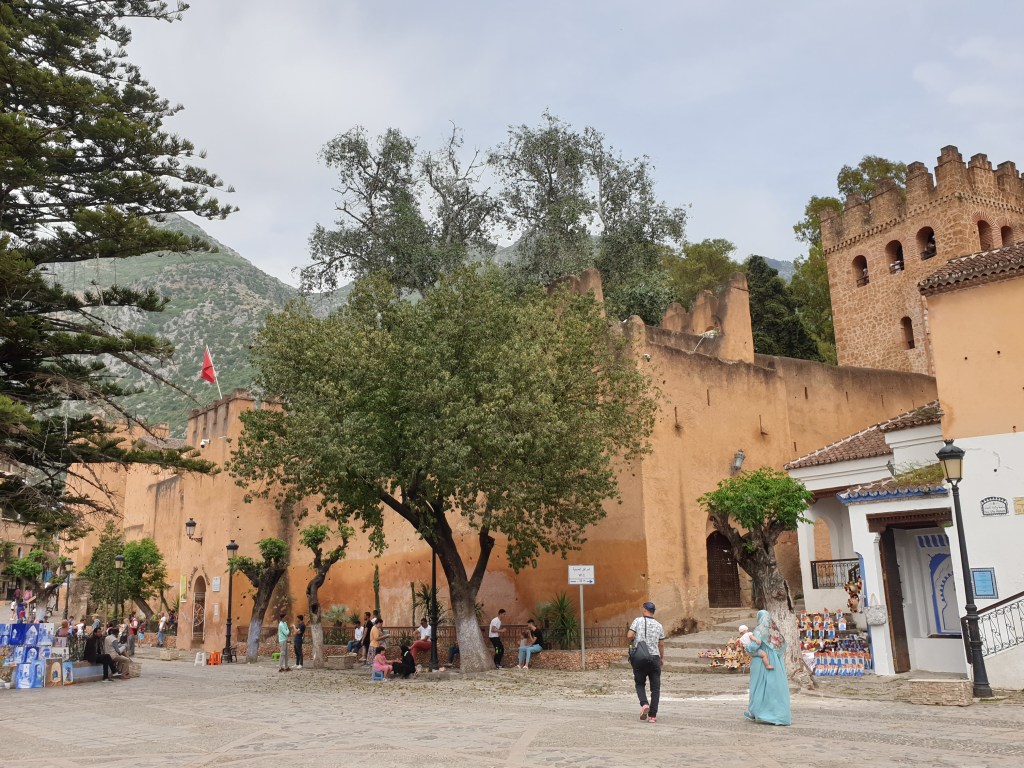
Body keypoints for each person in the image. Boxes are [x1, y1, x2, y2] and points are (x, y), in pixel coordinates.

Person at [743, 609, 791, 726]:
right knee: (774, 687)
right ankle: (779, 715)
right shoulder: (773, 631)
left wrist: (745, 647)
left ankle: (755, 712)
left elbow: (754, 647)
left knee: (758, 685)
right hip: (774, 660)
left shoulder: (759, 630)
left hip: (761, 661)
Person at [627, 601, 665, 724]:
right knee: (655, 688)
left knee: (639, 683)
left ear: (644, 610)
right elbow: (661, 644)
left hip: (640, 657)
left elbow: (630, 635)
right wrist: (661, 658)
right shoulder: (659, 625)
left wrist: (635, 639)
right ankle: (652, 716)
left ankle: (644, 704)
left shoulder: (638, 621)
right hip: (654, 658)